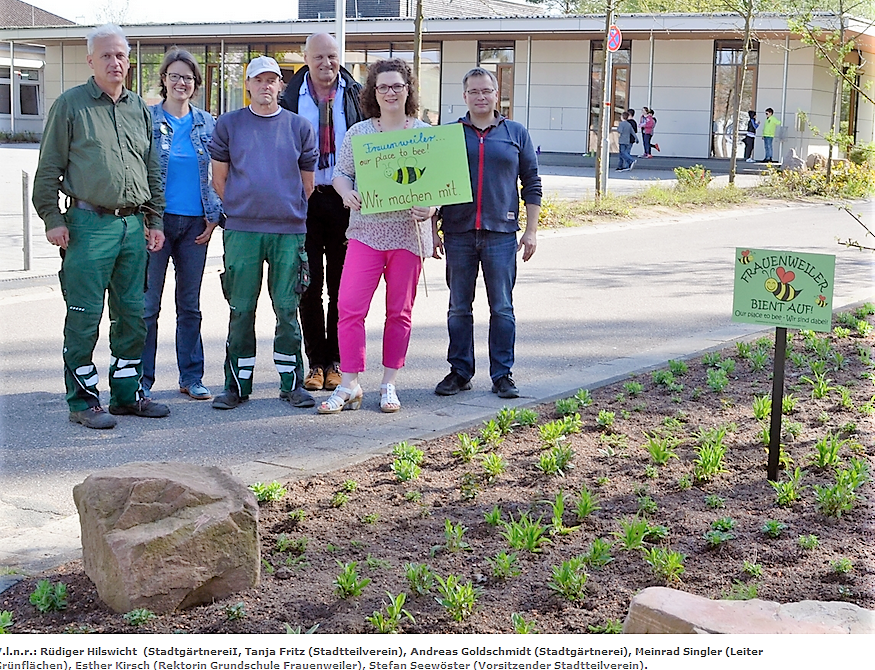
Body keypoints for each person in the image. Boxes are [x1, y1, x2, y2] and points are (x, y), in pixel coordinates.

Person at [33, 24, 169, 429]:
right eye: (106, 55)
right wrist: (52, 220)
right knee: (84, 315)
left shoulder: (138, 109)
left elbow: (152, 169)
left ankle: (128, 395)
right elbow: (48, 170)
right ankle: (83, 402)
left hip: (132, 227)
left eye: (121, 55)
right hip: (87, 226)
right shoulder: (70, 105)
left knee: (131, 316)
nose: (115, 62)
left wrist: (154, 219)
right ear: (91, 59)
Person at [321, 58, 437, 414]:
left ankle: (389, 383)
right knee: (349, 308)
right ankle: (350, 383)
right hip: (366, 233)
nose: (390, 92)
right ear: (373, 92)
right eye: (383, 86)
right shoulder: (359, 134)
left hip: (407, 236)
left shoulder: (424, 133)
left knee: (398, 312)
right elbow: (341, 173)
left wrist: (430, 208)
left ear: (408, 90)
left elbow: (438, 184)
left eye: (397, 86)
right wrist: (345, 192)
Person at [207, 56, 318, 410]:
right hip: (242, 231)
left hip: (288, 232)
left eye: (273, 80)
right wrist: (244, 207)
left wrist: (283, 208)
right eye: (259, 80)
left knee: (287, 308)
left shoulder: (299, 127)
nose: (266, 86)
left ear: (280, 86)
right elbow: (219, 180)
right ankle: (236, 385)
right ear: (249, 85)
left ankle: (291, 383)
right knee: (241, 309)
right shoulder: (228, 125)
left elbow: (308, 184)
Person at [433, 66, 541, 400]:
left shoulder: (516, 133)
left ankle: (502, 374)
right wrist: (432, 229)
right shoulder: (449, 134)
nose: (481, 97)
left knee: (503, 307)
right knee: (458, 308)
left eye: (487, 91)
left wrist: (532, 231)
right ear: (464, 96)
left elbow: (532, 183)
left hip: (501, 233)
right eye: (474, 92)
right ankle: (460, 371)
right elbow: (435, 184)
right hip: (458, 232)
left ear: (497, 94)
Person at [279, 33, 366, 394]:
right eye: (319, 57)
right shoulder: (290, 96)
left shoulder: (357, 94)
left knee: (342, 287)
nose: (326, 64)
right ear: (306, 58)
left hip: (347, 200)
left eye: (332, 56)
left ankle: (337, 362)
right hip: (305, 201)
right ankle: (315, 362)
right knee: (309, 285)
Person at [143, 48, 224, 402]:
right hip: (157, 223)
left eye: (188, 78)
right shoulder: (146, 119)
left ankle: (191, 377)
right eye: (174, 76)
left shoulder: (208, 122)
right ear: (164, 79)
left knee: (189, 305)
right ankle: (141, 380)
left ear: (196, 84)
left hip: (196, 225)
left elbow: (222, 172)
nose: (181, 82)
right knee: (147, 306)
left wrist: (216, 215)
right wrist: (146, 218)